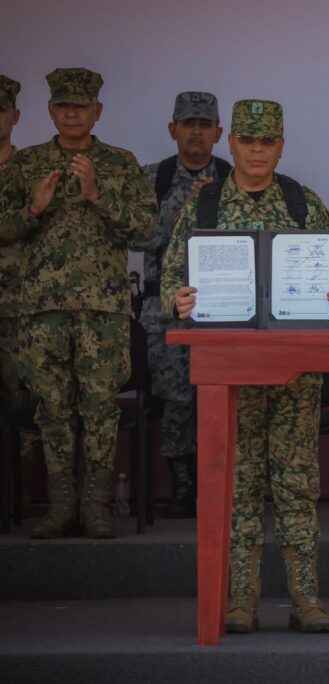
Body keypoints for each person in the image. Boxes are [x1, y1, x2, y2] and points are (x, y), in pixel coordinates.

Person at [162, 99, 329, 633]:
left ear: (281, 146)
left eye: (267, 141)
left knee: (296, 485)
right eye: (248, 141)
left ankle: (306, 600)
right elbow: (170, 279)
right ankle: (240, 600)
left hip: (296, 373)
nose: (257, 151)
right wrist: (177, 299)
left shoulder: (302, 202)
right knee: (238, 486)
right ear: (232, 143)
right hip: (231, 375)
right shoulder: (204, 205)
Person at [0, 68, 157, 539]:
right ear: (51, 111)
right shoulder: (26, 164)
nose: (72, 113)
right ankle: (61, 504)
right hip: (41, 310)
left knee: (99, 407)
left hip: (103, 310)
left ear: (97, 111)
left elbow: (146, 228)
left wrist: (98, 196)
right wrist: (33, 209)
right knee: (51, 408)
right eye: (64, 106)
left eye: (81, 106)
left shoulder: (120, 163)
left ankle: (96, 505)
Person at [130, 92, 230, 519]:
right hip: (165, 310)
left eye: (204, 125)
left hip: (223, 308)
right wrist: (185, 209)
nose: (196, 132)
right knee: (175, 399)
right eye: (188, 123)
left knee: (221, 396)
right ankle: (183, 486)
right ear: (173, 129)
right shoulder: (152, 178)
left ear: (218, 133)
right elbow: (137, 238)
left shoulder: (233, 177)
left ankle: (219, 484)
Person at [0, 74, 41, 515]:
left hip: (20, 307)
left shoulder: (31, 170)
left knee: (24, 407)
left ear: (15, 115)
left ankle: (20, 499)